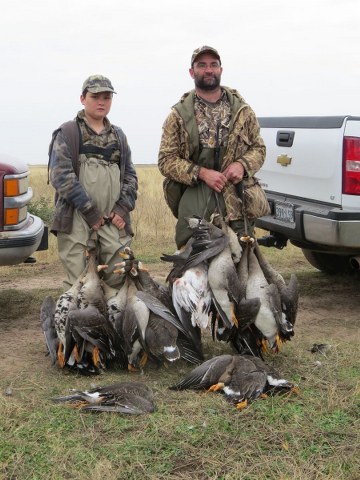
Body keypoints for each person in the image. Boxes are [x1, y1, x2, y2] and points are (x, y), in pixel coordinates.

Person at [158, 46, 267, 249]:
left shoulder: (243, 110)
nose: (209, 70)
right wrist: (202, 173)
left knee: (243, 256)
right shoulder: (178, 115)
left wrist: (242, 165)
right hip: (197, 193)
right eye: (202, 65)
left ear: (220, 70)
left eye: (213, 65)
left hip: (237, 195)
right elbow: (165, 160)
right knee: (192, 255)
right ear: (192, 72)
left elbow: (259, 148)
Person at [49, 74, 138, 289]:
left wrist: (122, 208)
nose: (101, 102)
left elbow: (130, 176)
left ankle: (112, 321)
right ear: (82, 98)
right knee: (80, 282)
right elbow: (61, 176)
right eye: (95, 96)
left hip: (113, 218)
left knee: (119, 275)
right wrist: (90, 211)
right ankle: (78, 322)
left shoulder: (118, 136)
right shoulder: (68, 133)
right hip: (77, 217)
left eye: (107, 97)